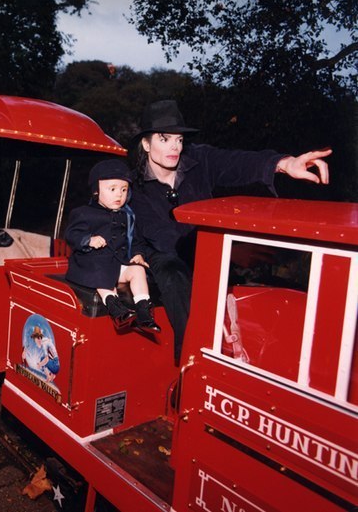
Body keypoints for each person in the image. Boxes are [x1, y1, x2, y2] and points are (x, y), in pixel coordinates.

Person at [129, 100, 331, 365]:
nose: (174, 147)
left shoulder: (198, 160)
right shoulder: (133, 187)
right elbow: (163, 237)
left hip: (207, 248)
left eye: (179, 140)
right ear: (146, 144)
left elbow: (237, 162)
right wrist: (225, 254)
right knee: (172, 271)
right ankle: (190, 357)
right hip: (164, 257)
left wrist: (283, 164)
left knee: (262, 277)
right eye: (164, 139)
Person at [65, 159, 160, 331]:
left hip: (117, 263)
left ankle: (144, 311)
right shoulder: (83, 213)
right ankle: (116, 309)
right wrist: (89, 240)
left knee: (137, 270)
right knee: (102, 271)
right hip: (90, 266)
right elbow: (72, 234)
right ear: (96, 191)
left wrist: (138, 254)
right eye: (113, 189)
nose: (119, 195)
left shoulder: (127, 216)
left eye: (124, 190)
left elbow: (135, 240)